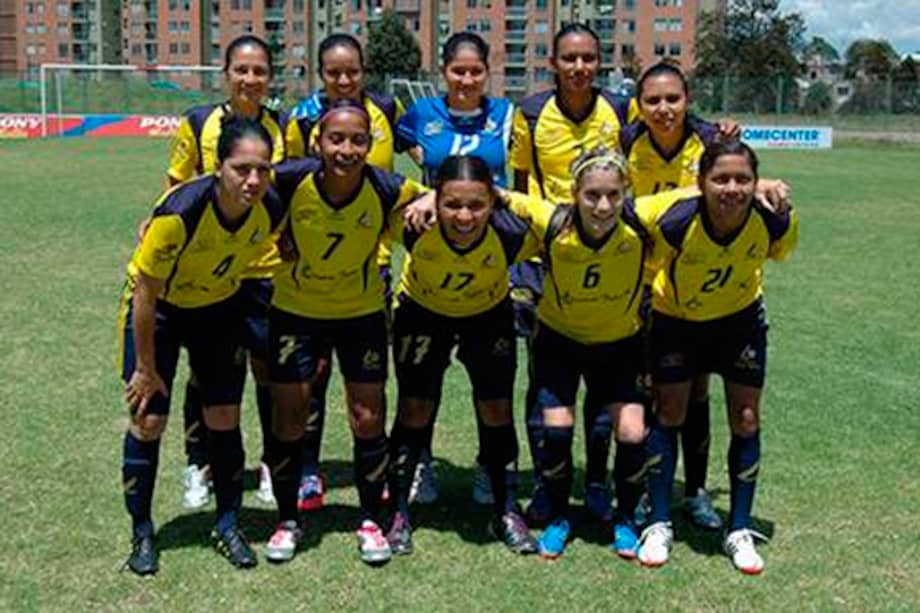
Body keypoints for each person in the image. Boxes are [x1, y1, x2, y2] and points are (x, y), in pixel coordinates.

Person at [620, 61, 787, 530]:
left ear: (688, 99)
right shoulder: (625, 140)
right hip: (647, 283)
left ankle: (694, 493)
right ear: (639, 104)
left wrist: (765, 184)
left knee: (695, 396)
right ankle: (636, 496)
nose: (664, 108)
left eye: (673, 98)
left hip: (702, 281)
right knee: (659, 399)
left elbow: (733, 179)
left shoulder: (709, 140)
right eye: (652, 100)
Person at [264, 100, 428, 566]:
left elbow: (434, 193)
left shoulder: (384, 185)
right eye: (337, 138)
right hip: (295, 312)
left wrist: (432, 198)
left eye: (358, 139)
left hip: (360, 314)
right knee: (290, 418)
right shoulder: (289, 179)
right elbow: (239, 182)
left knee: (367, 417)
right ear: (318, 141)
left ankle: (371, 519)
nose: (347, 149)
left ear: (371, 144)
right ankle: (287, 518)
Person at [120, 118, 285, 574]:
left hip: (217, 310)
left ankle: (228, 523)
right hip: (162, 312)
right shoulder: (180, 213)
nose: (253, 180)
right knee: (149, 418)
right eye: (241, 168)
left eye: (263, 169)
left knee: (224, 418)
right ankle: (142, 532)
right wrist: (147, 368)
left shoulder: (269, 204)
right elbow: (145, 294)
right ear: (217, 167)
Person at [635, 138, 798, 574]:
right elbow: (626, 213)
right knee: (670, 413)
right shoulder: (674, 216)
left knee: (745, 418)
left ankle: (739, 528)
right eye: (720, 179)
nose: (732, 188)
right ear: (700, 182)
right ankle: (658, 521)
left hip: (739, 324)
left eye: (742, 179)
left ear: (755, 182)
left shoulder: (774, 219)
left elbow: (780, 251)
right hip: (676, 323)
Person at [509, 23, 639, 524]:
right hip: (547, 258)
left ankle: (600, 482)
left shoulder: (619, 109)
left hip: (607, 253)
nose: (579, 67)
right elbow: (519, 183)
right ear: (554, 64)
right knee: (545, 379)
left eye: (588, 58)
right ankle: (547, 482)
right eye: (570, 58)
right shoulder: (532, 112)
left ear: (599, 63)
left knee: (606, 383)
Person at [385, 155, 539, 557]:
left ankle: (506, 509)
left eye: (477, 205)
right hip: (422, 312)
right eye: (452, 204)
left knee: (496, 410)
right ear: (436, 203)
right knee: (414, 409)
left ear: (492, 202)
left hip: (487, 316)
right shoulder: (413, 224)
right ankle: (398, 511)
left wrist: (505, 196)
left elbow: (558, 215)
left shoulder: (511, 232)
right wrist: (425, 196)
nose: (465, 216)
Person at [503, 148, 650, 560]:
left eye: (613, 195)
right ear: (574, 193)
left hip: (619, 344)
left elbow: (694, 195)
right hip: (560, 341)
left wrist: (761, 183)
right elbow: (499, 194)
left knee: (632, 431)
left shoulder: (642, 223)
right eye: (592, 195)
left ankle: (624, 516)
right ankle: (559, 514)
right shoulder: (553, 223)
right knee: (557, 427)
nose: (603, 206)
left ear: (626, 194)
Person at [284, 33, 404, 513]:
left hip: (369, 262)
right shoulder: (301, 117)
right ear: (320, 73)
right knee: (311, 377)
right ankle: (308, 472)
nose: (343, 79)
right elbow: (285, 176)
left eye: (351, 70)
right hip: (313, 259)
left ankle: (379, 479)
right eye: (333, 72)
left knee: (368, 385)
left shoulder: (387, 110)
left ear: (363, 69)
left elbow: (416, 170)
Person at [165, 34, 286, 509]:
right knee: (205, 375)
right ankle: (200, 465)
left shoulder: (283, 126)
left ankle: (272, 468)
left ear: (269, 77)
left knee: (268, 373)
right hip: (209, 272)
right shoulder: (198, 123)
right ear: (226, 73)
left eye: (259, 71)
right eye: (241, 70)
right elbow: (176, 191)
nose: (250, 79)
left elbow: (288, 191)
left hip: (264, 271)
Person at [394, 31, 515, 506]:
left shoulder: (508, 115)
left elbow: (518, 178)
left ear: (487, 72)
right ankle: (420, 462)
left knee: (492, 388)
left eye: (475, 71)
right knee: (421, 384)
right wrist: (427, 191)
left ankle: (489, 467)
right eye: (457, 70)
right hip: (436, 250)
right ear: (442, 71)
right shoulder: (419, 116)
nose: (466, 79)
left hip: (488, 252)